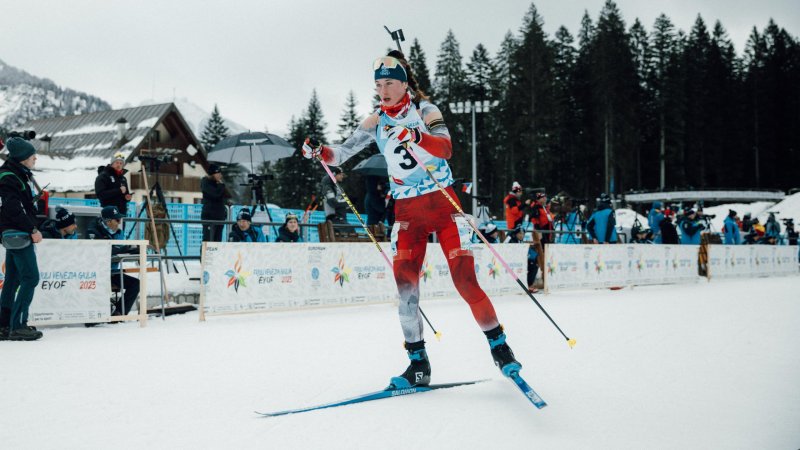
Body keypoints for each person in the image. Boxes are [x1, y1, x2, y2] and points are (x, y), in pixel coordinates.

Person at [301, 51, 522, 387]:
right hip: (407, 212)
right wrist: (319, 151)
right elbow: (340, 154)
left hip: (443, 205)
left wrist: (415, 136)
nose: (383, 90)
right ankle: (418, 363)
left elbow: (446, 148)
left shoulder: (426, 111)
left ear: (404, 84)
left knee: (464, 281)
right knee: (405, 290)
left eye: (390, 83)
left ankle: (500, 348)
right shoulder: (375, 121)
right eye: (378, 85)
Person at [0, 137, 44, 340]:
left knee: (13, 279)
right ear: (22, 158)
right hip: (18, 233)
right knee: (31, 277)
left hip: (13, 233)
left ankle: (4, 324)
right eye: (32, 155)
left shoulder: (15, 174)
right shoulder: (10, 177)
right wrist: (31, 228)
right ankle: (17, 325)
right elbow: (12, 208)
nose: (35, 158)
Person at [88, 206, 140, 316]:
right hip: (97, 274)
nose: (119, 222)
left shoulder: (118, 233)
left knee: (135, 284)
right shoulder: (93, 232)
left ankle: (119, 313)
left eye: (120, 219)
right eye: (117, 220)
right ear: (108, 221)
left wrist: (134, 249)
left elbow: (119, 249)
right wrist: (125, 248)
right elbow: (106, 250)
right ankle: (99, 314)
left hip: (112, 272)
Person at [201, 164, 228, 242]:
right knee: (208, 240)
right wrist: (221, 185)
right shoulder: (205, 182)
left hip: (219, 218)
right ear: (213, 174)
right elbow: (215, 194)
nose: (220, 176)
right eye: (218, 173)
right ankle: (204, 251)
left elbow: (222, 197)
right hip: (209, 217)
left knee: (217, 242)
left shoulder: (218, 184)